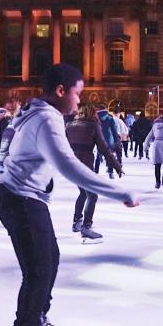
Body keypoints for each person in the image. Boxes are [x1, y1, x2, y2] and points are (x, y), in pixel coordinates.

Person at [0, 64, 138, 326]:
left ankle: (37, 319)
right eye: (77, 93)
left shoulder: (34, 111)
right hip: (20, 197)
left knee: (49, 261)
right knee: (39, 270)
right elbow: (68, 165)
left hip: (18, 195)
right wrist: (119, 191)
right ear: (61, 91)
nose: (78, 102)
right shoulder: (46, 118)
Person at [66, 103, 123, 243]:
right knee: (92, 195)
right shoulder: (92, 125)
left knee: (83, 193)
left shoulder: (70, 125)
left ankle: (76, 221)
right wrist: (116, 165)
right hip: (85, 166)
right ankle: (86, 227)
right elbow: (103, 148)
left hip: (72, 166)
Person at [94, 106, 120, 179]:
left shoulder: (95, 118)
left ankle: (96, 171)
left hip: (99, 139)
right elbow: (114, 130)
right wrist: (116, 140)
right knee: (109, 155)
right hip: (109, 139)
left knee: (98, 156)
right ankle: (110, 172)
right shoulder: (110, 118)